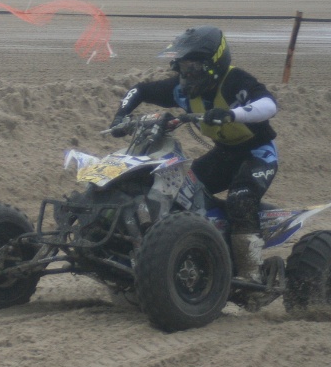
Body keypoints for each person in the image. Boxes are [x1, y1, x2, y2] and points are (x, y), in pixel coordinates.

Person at [110, 26, 278, 281]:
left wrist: (233, 113)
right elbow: (139, 90)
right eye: (182, 67)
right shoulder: (180, 90)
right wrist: (120, 116)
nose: (186, 74)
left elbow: (269, 105)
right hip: (223, 156)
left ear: (214, 64)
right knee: (180, 192)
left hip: (257, 154)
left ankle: (251, 273)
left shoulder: (235, 81)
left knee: (240, 200)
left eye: (193, 68)